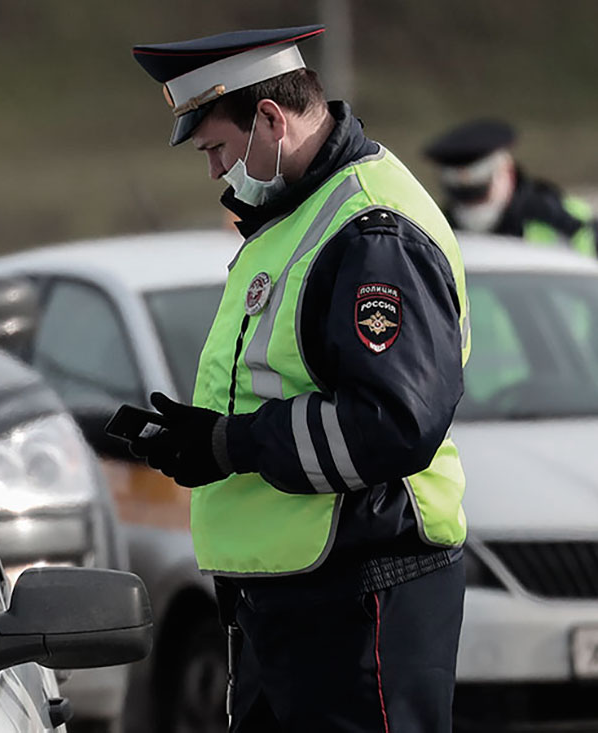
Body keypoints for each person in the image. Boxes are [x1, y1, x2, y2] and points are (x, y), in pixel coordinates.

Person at [126, 25, 469, 732]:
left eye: (217, 148)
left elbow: (392, 422)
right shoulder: (294, 215)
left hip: (360, 595)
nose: (216, 171)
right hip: (294, 604)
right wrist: (197, 439)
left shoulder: (372, 232)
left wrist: (231, 445)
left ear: (272, 120)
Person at [424, 118, 598, 255]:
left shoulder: (565, 220)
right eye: (462, 197)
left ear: (506, 172)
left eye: (481, 193)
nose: (472, 206)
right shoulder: (436, 231)